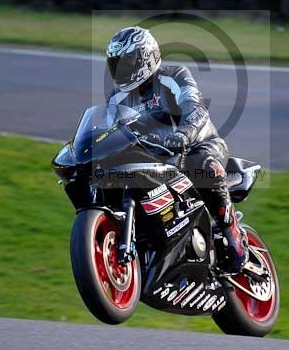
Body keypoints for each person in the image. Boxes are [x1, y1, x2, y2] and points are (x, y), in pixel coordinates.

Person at [105, 25, 248, 273]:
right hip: (152, 159)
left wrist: (183, 133)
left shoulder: (173, 76)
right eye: (115, 64)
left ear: (145, 58)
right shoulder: (116, 98)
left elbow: (195, 106)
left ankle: (230, 230)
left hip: (198, 144)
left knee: (203, 165)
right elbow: (111, 132)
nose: (120, 71)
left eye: (126, 63)